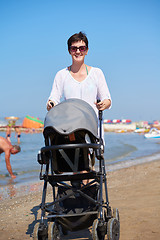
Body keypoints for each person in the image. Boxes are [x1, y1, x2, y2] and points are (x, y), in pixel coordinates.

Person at [47, 31, 111, 115]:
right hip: (70, 125)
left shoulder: (97, 73)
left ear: (87, 51)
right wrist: (50, 104)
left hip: (92, 125)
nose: (78, 52)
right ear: (69, 51)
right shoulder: (61, 74)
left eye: (82, 48)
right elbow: (53, 99)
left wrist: (103, 104)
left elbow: (107, 99)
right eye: (74, 48)